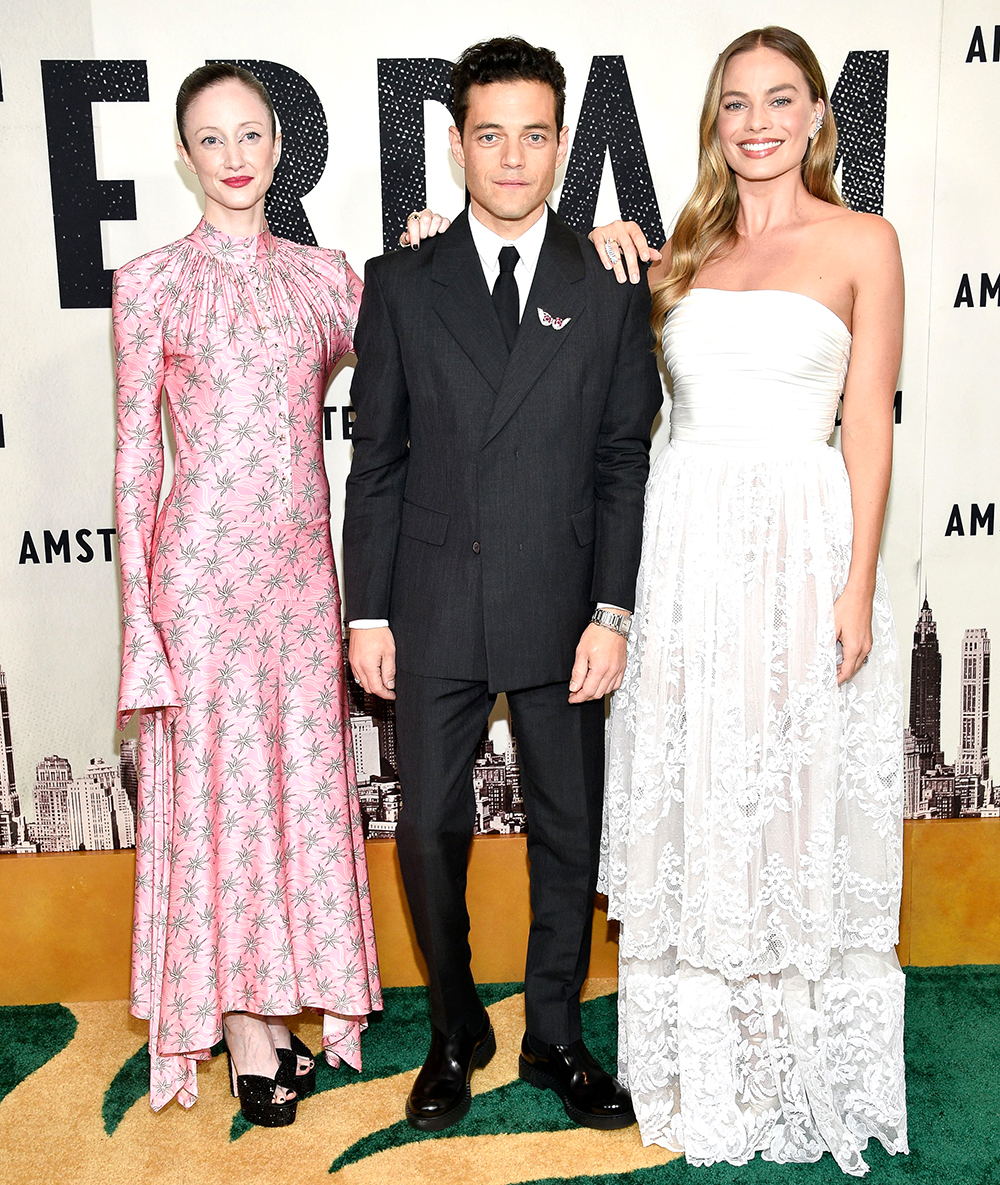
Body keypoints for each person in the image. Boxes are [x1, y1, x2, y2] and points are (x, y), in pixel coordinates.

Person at [588, 26, 908, 1175]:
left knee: (792, 781)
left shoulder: (864, 240)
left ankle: (798, 1067)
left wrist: (858, 580)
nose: (758, 121)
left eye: (781, 100)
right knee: (702, 780)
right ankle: (700, 1069)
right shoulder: (684, 243)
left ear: (820, 114)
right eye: (736, 103)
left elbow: (866, 420)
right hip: (682, 543)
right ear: (714, 121)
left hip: (799, 535)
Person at [344, 37, 662, 1133]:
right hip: (428, 606)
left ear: (564, 143)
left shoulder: (610, 284)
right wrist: (368, 610)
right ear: (456, 144)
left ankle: (556, 1036)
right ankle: (451, 1029)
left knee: (568, 827)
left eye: (535, 135)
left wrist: (612, 611)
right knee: (428, 832)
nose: (513, 158)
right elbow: (374, 457)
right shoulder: (399, 280)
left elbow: (625, 461)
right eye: (490, 135)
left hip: (563, 607)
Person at [113, 63, 381, 1125]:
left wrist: (425, 252)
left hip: (300, 580)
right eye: (211, 139)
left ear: (279, 148)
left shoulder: (326, 279)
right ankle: (241, 1026)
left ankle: (276, 1002)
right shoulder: (151, 285)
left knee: (293, 796)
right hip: (203, 582)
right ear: (185, 156)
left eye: (251, 135)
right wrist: (141, 622)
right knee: (219, 795)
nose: (233, 156)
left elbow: (422, 347)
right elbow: (136, 462)